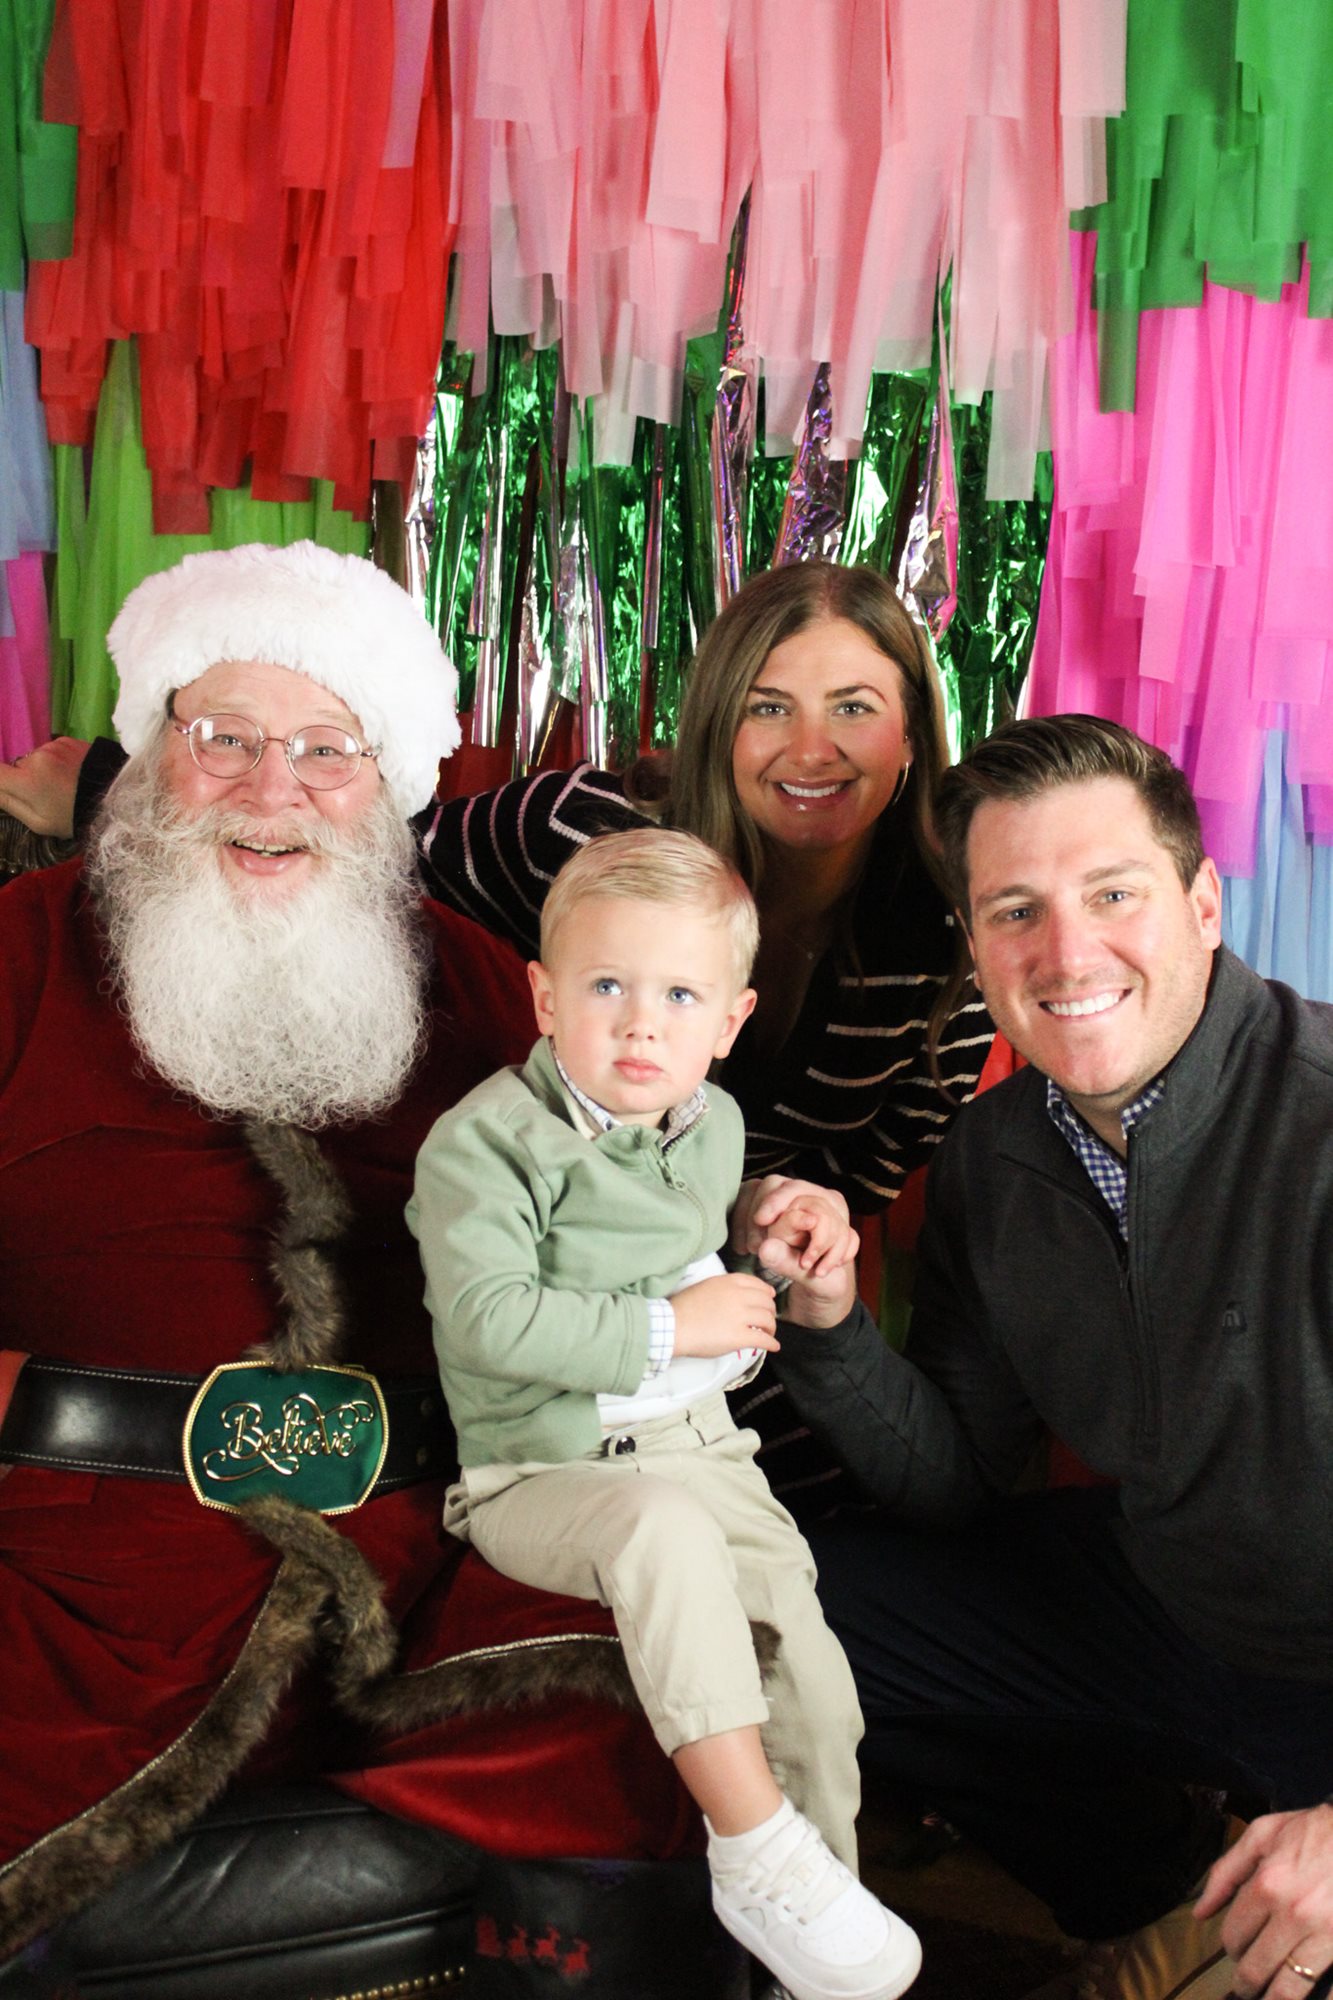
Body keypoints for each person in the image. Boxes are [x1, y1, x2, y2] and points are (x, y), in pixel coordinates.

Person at [0, 542, 729, 1971]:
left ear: (384, 784)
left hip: (437, 1551)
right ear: (149, 751)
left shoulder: (483, 984)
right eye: (225, 736)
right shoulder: (16, 954)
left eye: (327, 750)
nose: (273, 789)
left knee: (660, 1693)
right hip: (78, 1565)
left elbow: (614, 1236)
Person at [2, 560, 995, 1510]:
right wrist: (114, 793)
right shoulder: (579, 836)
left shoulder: (954, 967)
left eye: (853, 708)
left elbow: (844, 1201)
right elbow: (349, 854)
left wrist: (766, 1247)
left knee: (807, 1555)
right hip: (549, 1326)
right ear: (715, 720)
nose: (811, 749)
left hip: (740, 1329)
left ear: (913, 731)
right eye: (767, 706)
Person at [761, 715, 1333, 2000]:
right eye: (1015, 910)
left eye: (1112, 894)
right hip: (1169, 1607)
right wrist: (831, 1320)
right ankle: (1156, 1887)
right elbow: (960, 1479)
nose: (1066, 952)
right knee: (782, 1609)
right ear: (974, 946)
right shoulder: (993, 1152)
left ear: (1202, 905)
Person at [409, 826, 922, 2000]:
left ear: (728, 1021)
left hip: (708, 1450)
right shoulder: (484, 1145)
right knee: (661, 1530)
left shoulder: (713, 1121)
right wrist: (668, 1326)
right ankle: (752, 1848)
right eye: (606, 986)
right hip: (544, 1468)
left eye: (679, 996)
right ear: (544, 997)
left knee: (816, 1686)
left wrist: (765, 1214)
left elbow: (678, 1211)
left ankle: (813, 1947)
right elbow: (487, 1317)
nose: (641, 1025)